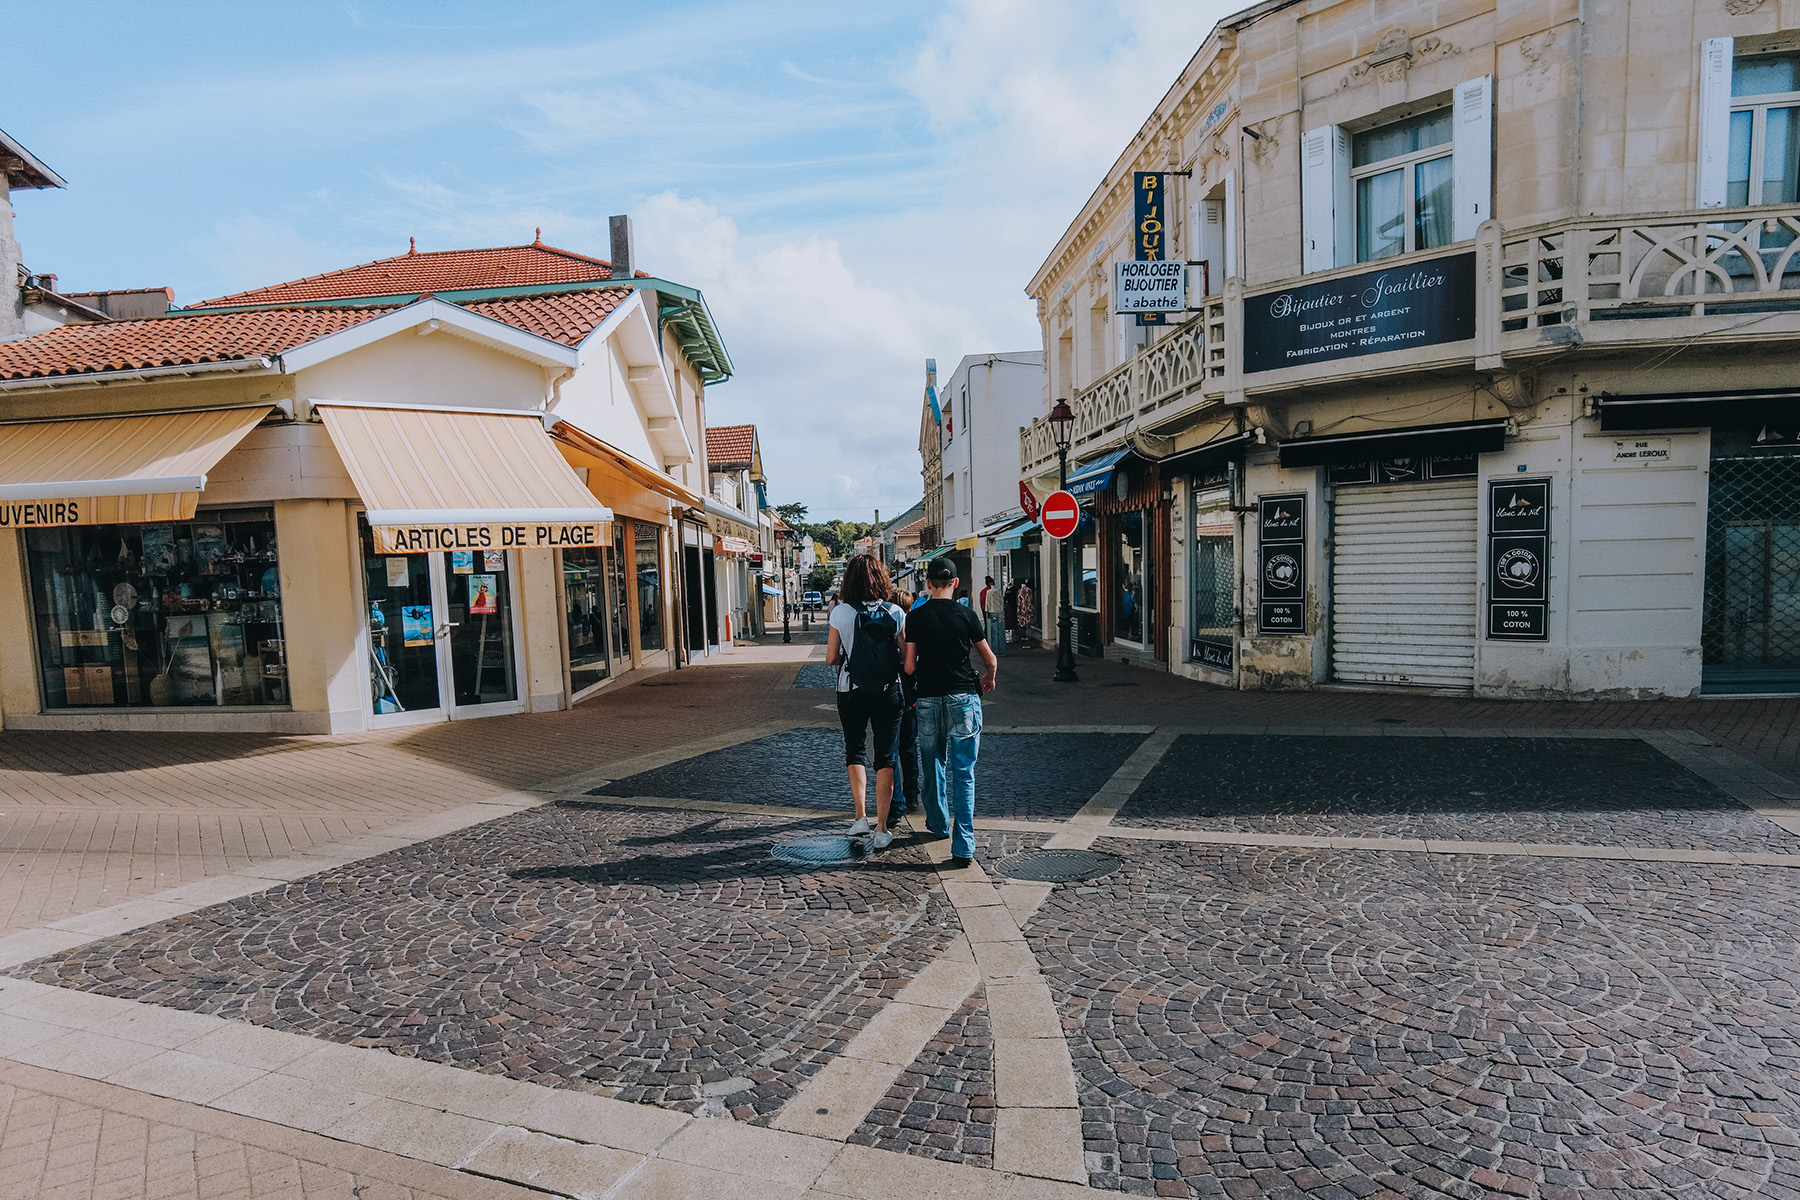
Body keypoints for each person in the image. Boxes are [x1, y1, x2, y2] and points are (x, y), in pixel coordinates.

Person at [904, 557, 998, 868]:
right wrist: (988, 679)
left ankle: (940, 823)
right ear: (955, 584)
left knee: (932, 765)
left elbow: (909, 666)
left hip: (929, 698)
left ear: (928, 583)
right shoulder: (966, 614)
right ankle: (964, 846)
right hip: (963, 698)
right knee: (964, 772)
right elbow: (990, 659)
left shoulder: (915, 618)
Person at [826, 555, 908, 850]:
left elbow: (831, 657)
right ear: (881, 578)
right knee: (887, 757)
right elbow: (904, 656)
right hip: (889, 691)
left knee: (855, 750)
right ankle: (883, 828)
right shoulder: (896, 611)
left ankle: (860, 818)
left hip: (851, 690)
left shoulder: (841, 612)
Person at [979, 575, 1006, 657]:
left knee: (993, 630)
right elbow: (1002, 601)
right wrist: (1002, 609)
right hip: (999, 611)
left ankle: (994, 649)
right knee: (1000, 631)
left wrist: (987, 610)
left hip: (991, 611)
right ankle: (1001, 649)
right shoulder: (999, 590)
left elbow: (987, 602)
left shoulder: (986, 592)